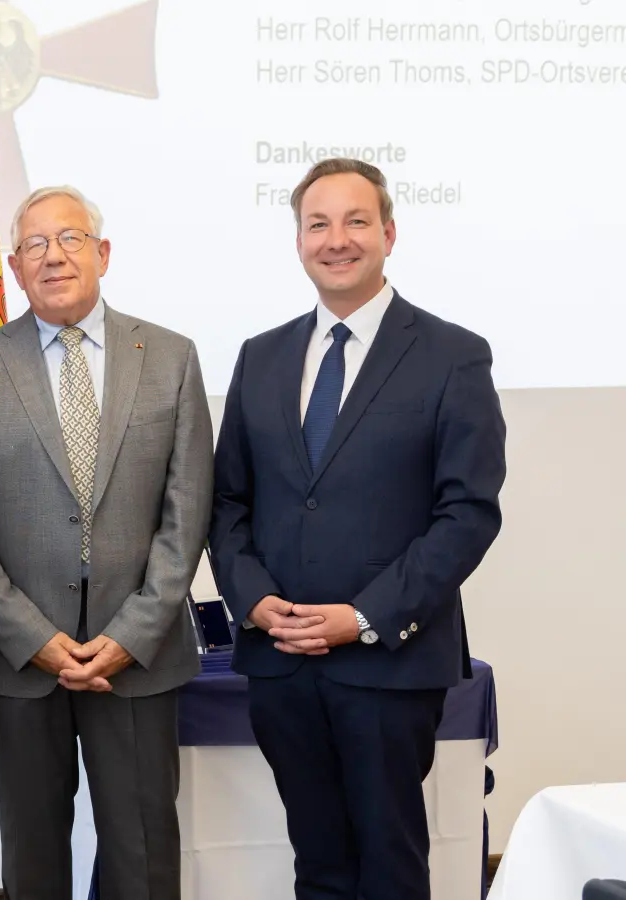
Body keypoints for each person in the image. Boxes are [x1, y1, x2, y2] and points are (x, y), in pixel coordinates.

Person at [210, 157, 506, 899]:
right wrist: (251, 599)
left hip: (389, 666)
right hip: (281, 663)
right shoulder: (261, 355)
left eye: (355, 221)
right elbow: (228, 502)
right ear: (299, 240)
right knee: (318, 863)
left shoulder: (452, 355)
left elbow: (468, 512)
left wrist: (365, 615)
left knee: (390, 861)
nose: (335, 239)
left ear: (389, 232)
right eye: (318, 223)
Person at [0, 185, 212, 900]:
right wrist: (35, 638)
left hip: (139, 656)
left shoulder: (172, 358)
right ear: (15, 268)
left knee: (145, 853)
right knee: (31, 856)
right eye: (34, 245)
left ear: (103, 253)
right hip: (19, 662)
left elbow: (187, 517)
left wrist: (132, 632)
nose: (53, 255)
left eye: (70, 239)